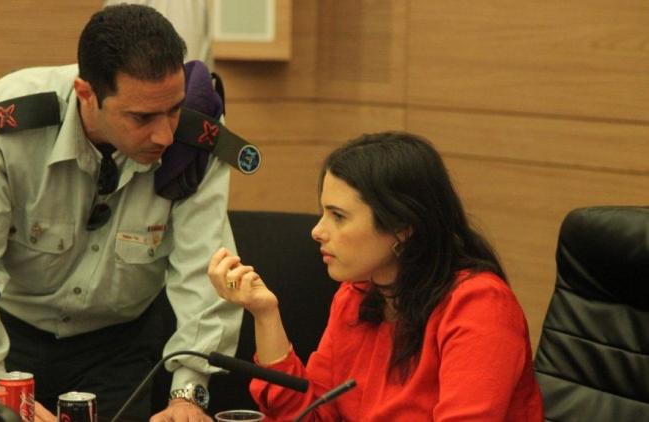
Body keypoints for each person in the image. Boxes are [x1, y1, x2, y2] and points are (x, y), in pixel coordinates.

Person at [0, 5, 244, 422]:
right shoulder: (3, 121)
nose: (165, 135)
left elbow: (204, 274)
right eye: (142, 117)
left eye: (173, 110)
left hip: (121, 347)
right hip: (11, 341)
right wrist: (0, 392)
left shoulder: (193, 135)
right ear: (86, 93)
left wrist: (188, 393)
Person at [208, 132, 544, 421]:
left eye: (338, 216)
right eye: (323, 212)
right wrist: (265, 314)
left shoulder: (480, 307)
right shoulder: (357, 295)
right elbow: (310, 415)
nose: (317, 231)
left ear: (402, 227)